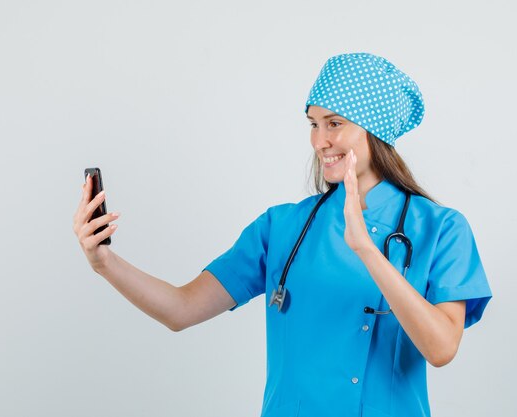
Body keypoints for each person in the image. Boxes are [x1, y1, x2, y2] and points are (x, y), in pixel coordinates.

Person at [73, 52, 492, 417]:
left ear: (375, 130)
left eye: (334, 123)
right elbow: (181, 309)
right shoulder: (282, 227)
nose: (319, 141)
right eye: (313, 124)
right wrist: (104, 263)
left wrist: (366, 249)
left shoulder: (442, 229)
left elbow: (441, 348)